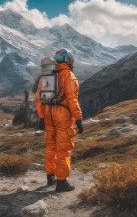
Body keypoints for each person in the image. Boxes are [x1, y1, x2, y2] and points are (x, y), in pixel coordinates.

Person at [35, 49, 83, 192]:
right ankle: (61, 183)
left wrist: (42, 116)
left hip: (48, 114)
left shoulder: (47, 75)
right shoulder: (68, 75)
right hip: (63, 116)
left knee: (51, 147)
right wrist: (79, 118)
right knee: (63, 149)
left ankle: (51, 176)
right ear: (69, 61)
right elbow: (72, 99)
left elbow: (38, 98)